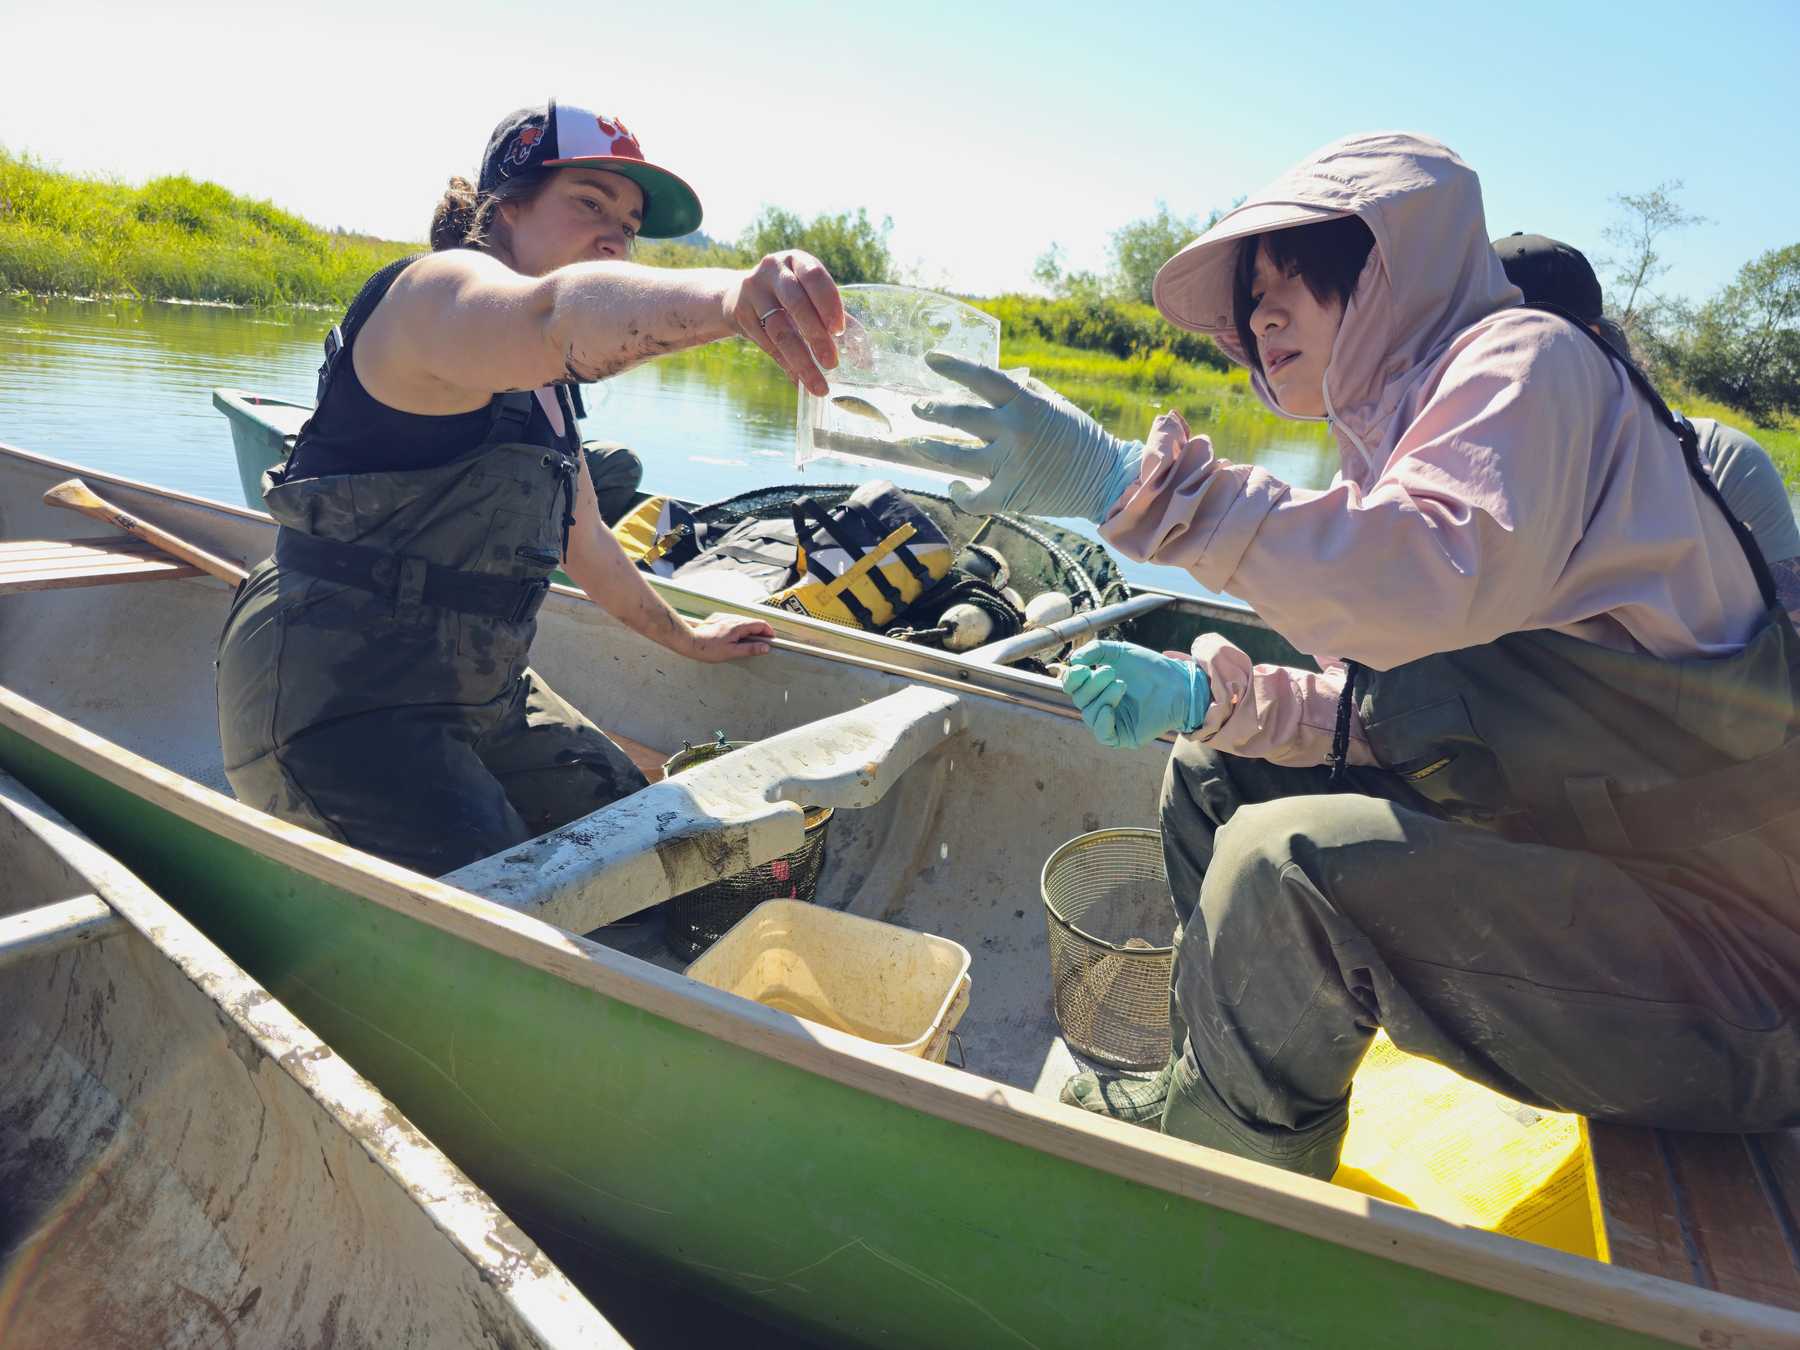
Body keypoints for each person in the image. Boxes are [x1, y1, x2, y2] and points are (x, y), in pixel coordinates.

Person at [912, 132, 1800, 1178]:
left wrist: (1134, 490)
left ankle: (1219, 1194)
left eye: (1299, 281)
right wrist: (1211, 697)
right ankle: (1218, 1090)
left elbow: (1415, 582)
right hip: (1600, 870)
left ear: (1391, 276)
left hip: (1742, 973)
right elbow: (1391, 708)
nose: (1259, 317)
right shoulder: (1415, 434)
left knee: (1286, 874)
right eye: (1250, 298)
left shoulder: (1534, 362)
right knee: (1218, 774)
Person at [217, 100, 845, 878]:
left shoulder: (545, 392)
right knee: (510, 901)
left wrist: (687, 638)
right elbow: (556, 315)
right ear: (505, 204)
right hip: (335, 700)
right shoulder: (434, 296)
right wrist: (729, 302)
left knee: (645, 850)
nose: (615, 233)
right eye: (588, 201)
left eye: (629, 221)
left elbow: (587, 539)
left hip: (481, 692)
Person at [1493, 232, 1800, 623]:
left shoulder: (1723, 464)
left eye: (1506, 345)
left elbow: (1789, 643)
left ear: (1591, 341)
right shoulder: (1448, 489)